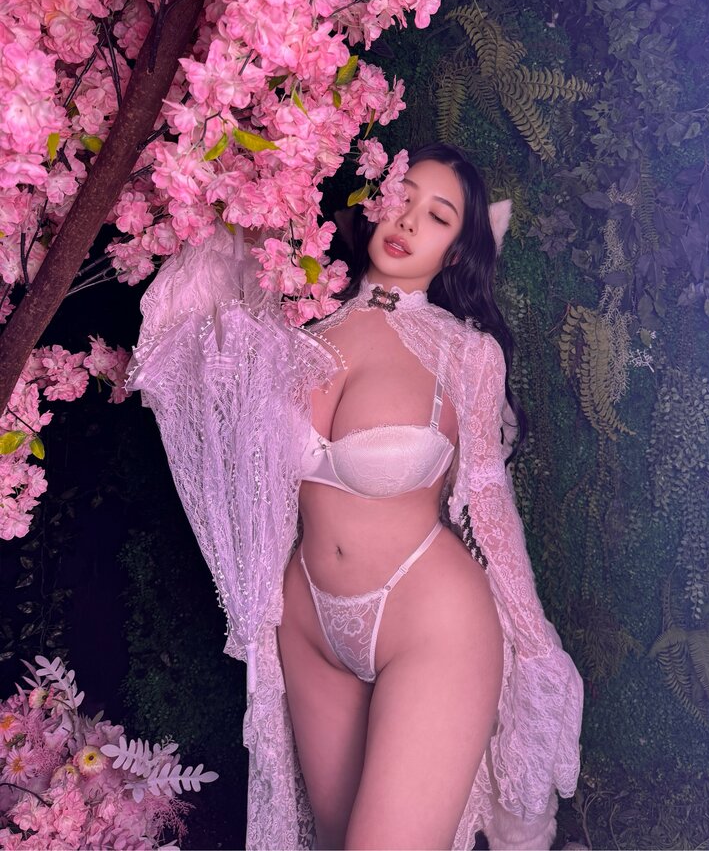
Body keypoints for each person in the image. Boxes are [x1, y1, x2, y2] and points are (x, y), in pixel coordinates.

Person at [127, 142, 583, 851]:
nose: (408, 220)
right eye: (400, 196)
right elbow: (182, 350)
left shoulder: (465, 352)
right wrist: (236, 188)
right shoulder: (295, 327)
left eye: (437, 216)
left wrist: (535, 645)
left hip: (428, 620)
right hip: (308, 625)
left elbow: (490, 507)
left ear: (457, 253)